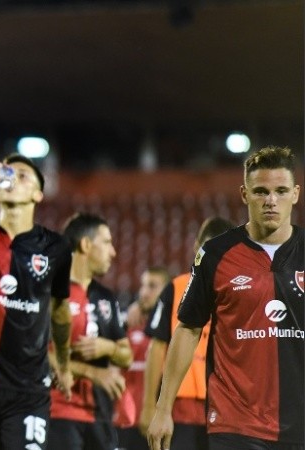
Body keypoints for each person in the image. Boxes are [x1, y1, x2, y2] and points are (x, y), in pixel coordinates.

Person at [148, 146, 303, 450]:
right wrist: (162, 408)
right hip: (235, 423)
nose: (271, 200)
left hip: (299, 423)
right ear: (244, 194)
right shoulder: (216, 254)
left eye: (281, 191)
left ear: (295, 194)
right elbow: (188, 328)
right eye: (260, 191)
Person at [0, 154, 74, 450]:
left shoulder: (56, 248)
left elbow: (59, 311)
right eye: (7, 174)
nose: (12, 179)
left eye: (22, 176)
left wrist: (63, 361)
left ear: (38, 194)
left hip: (28, 389)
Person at [140, 216, 233, 450]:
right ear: (196, 247)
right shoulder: (176, 287)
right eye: (208, 250)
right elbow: (157, 347)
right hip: (180, 407)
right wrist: (150, 406)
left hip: (226, 410)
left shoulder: (240, 294)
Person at [47, 212, 134, 450]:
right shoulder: (51, 291)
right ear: (86, 244)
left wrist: (107, 347)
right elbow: (40, 353)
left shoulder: (106, 297)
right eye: (106, 242)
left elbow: (127, 355)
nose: (113, 251)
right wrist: (94, 373)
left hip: (101, 415)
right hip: (59, 412)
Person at [115, 266, 170, 450]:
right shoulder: (126, 324)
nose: (144, 293)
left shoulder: (174, 328)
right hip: (123, 422)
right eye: (143, 286)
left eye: (152, 286)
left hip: (158, 423)